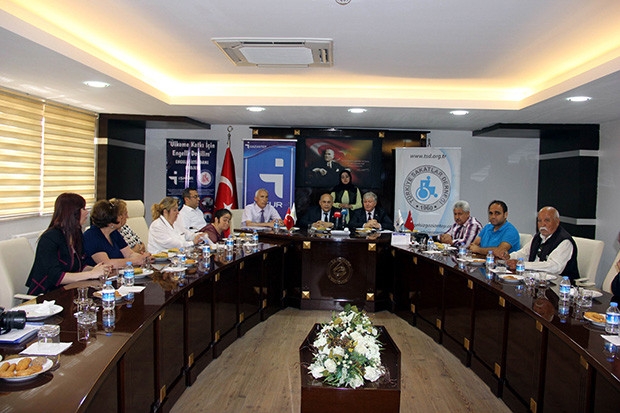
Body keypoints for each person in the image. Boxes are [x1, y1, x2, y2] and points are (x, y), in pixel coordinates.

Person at [26, 193, 106, 295]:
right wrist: (91, 274)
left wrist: (98, 270)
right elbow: (56, 277)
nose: (87, 212)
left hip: (69, 290)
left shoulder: (76, 234)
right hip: (47, 295)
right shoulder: (49, 238)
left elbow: (79, 266)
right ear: (72, 212)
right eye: (83, 209)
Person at [502, 207, 579, 281]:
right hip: (535, 280)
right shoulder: (538, 236)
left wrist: (523, 265)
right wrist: (508, 257)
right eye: (539, 221)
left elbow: (554, 267)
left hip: (559, 285)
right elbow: (524, 253)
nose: (542, 224)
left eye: (547, 220)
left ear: (557, 222)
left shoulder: (565, 241)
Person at [83, 200, 150, 268]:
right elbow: (107, 264)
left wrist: (143, 258)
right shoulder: (91, 236)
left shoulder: (113, 233)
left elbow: (129, 254)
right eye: (120, 215)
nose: (125, 217)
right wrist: (134, 261)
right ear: (111, 221)